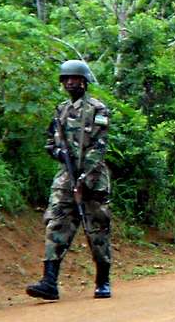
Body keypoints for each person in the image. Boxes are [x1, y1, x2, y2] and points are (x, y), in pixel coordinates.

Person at [27, 60, 112, 301]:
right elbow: (50, 143)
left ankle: (102, 280)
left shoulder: (97, 109)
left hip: (93, 180)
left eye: (76, 78)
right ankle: (49, 282)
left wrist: (84, 175)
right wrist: (58, 153)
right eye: (67, 79)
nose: (71, 82)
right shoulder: (60, 110)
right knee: (56, 224)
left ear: (85, 81)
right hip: (65, 179)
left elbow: (99, 146)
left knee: (97, 228)